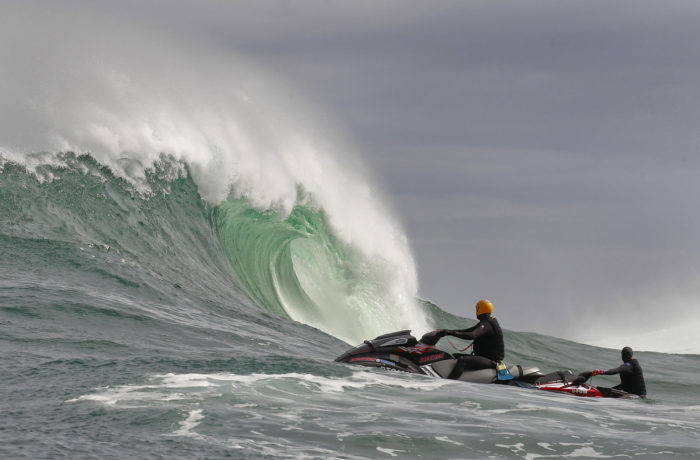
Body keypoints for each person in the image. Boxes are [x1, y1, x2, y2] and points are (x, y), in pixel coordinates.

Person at [426, 299, 505, 379]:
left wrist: (450, 333)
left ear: (480, 309)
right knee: (455, 356)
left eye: (477, 308)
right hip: (485, 357)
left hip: (491, 361)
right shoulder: (488, 322)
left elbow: (471, 335)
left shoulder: (487, 324)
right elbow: (468, 330)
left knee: (462, 360)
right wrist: (447, 332)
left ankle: (449, 381)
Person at [578, 346, 647, 398]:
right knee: (604, 391)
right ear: (632, 354)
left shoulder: (629, 365)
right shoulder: (634, 365)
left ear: (622, 355)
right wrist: (609, 389)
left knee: (604, 395)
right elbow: (625, 385)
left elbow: (616, 370)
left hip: (636, 397)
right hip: (640, 396)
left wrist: (602, 372)